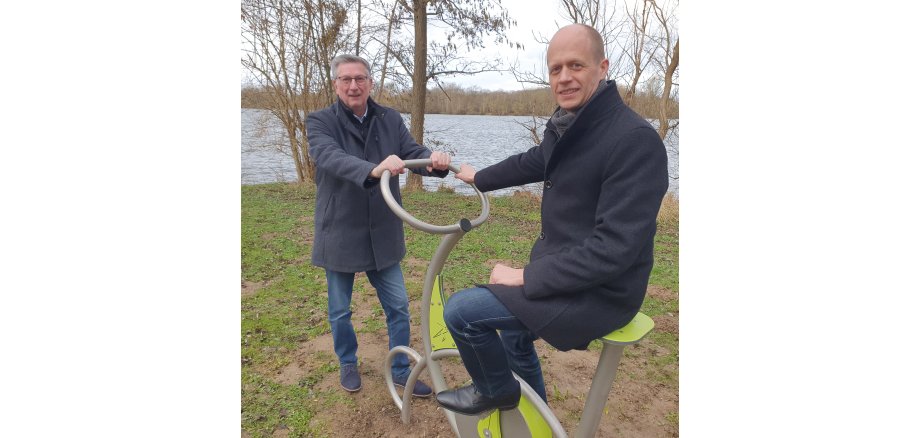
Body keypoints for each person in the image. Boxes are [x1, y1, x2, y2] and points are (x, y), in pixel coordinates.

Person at [434, 24, 670, 415]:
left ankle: (495, 390)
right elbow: (535, 161)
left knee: (462, 313)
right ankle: (533, 413)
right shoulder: (571, 126)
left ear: (602, 67)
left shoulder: (633, 141)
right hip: (567, 271)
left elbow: (613, 250)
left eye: (575, 65)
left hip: (604, 292)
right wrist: (480, 176)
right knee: (513, 337)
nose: (564, 77)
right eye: (555, 68)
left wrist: (524, 276)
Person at [306, 54, 452, 397]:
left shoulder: (389, 118)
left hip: (382, 231)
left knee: (398, 305)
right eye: (346, 79)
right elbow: (328, 156)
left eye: (360, 78)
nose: (353, 85)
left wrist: (435, 163)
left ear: (370, 82)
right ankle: (347, 362)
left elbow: (412, 152)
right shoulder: (320, 121)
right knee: (340, 310)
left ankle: (401, 369)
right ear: (336, 84)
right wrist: (374, 169)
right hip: (339, 229)